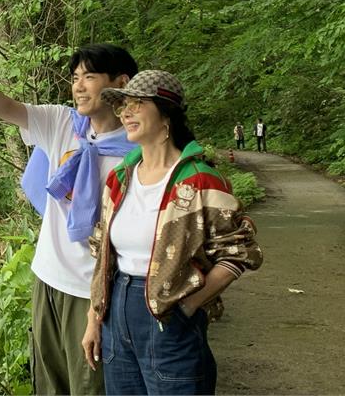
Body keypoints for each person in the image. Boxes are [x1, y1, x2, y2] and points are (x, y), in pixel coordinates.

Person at [0, 44, 139, 395]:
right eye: (75, 77)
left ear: (120, 82)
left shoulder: (139, 149)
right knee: (49, 383)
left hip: (94, 291)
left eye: (90, 77)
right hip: (49, 277)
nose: (78, 86)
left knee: (90, 385)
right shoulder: (64, 124)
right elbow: (6, 108)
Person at [81, 70, 263, 395]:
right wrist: (94, 319)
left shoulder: (199, 180)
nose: (126, 112)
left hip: (169, 318)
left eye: (137, 104)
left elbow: (239, 252)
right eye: (123, 105)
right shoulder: (121, 177)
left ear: (166, 113)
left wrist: (189, 306)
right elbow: (102, 254)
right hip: (115, 313)